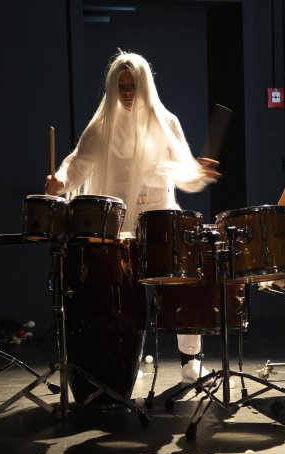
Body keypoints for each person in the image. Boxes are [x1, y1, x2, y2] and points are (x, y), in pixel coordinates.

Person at [45, 50, 221, 384]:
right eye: (121, 86)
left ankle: (191, 361)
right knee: (121, 293)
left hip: (160, 218)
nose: (127, 93)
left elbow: (183, 173)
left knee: (180, 285)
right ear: (113, 87)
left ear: (145, 86)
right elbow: (78, 164)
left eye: (133, 86)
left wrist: (197, 173)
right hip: (119, 223)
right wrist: (60, 182)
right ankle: (126, 357)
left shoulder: (166, 123)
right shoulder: (102, 127)